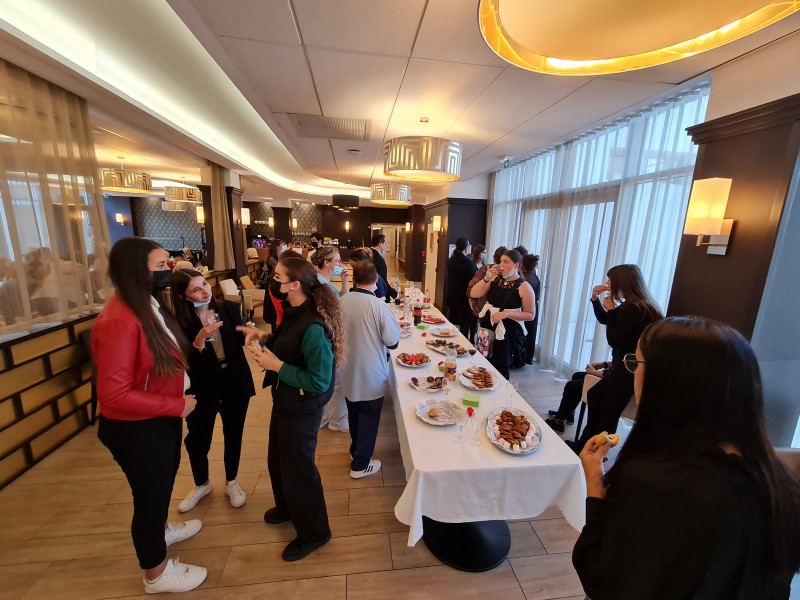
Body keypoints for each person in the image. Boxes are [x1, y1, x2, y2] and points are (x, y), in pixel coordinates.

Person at [573, 317, 800, 599]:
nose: (633, 374)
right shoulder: (781, 481)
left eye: (637, 363)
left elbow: (603, 580)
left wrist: (595, 489)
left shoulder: (658, 482)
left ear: (668, 380)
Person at [92, 237, 206, 594]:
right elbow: (114, 395)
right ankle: (157, 574)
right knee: (149, 496)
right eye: (160, 266)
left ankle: (160, 530)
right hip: (136, 427)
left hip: (158, 417)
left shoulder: (147, 304)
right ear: (135, 271)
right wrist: (177, 405)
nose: (168, 271)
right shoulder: (119, 320)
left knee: (161, 484)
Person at [242, 257, 345, 561]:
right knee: (278, 457)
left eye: (277, 276)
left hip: (302, 405)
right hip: (286, 398)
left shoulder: (313, 325)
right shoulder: (293, 311)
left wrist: (276, 365)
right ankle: (287, 507)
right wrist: (264, 337)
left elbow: (319, 379)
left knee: (300, 469)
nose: (272, 281)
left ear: (294, 285)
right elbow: (287, 342)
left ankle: (315, 532)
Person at [170, 269, 255, 512]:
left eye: (204, 284)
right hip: (202, 385)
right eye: (195, 289)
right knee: (197, 439)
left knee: (233, 434)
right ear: (184, 297)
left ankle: (231, 481)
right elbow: (184, 363)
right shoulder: (179, 322)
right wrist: (199, 341)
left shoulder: (227, 308)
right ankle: (202, 483)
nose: (205, 290)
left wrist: (247, 333)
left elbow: (237, 341)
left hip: (234, 381)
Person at [572, 264, 663, 452]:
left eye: (611, 279)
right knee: (595, 395)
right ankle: (583, 446)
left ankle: (595, 454)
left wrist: (612, 309)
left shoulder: (635, 309)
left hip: (629, 370)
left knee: (608, 415)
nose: (607, 282)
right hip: (624, 367)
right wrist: (595, 299)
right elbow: (607, 320)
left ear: (623, 282)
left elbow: (614, 339)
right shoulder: (636, 305)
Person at [340, 262, 400, 478]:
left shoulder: (343, 300)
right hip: (370, 371)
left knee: (354, 412)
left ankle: (356, 452)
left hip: (347, 367)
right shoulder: (378, 305)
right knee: (369, 416)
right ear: (376, 280)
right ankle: (360, 464)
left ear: (354, 279)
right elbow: (392, 341)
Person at [469, 249, 535, 379]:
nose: (502, 265)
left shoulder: (524, 286)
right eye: (501, 262)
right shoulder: (494, 280)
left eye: (506, 262)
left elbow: (530, 314)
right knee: (483, 360)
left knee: (501, 365)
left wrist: (507, 313)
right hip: (488, 325)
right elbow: (474, 294)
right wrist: (486, 278)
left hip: (507, 331)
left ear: (516, 265)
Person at [311, 246, 349, 432]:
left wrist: (344, 281)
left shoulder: (325, 280)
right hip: (328, 333)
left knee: (331, 378)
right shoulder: (320, 284)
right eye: (337, 261)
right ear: (326, 263)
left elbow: (343, 298)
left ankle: (326, 418)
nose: (339, 264)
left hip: (330, 331)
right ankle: (337, 420)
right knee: (336, 380)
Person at [544, 363, 606, 433]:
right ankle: (568, 414)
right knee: (577, 375)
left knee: (572, 386)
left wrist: (594, 372)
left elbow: (616, 374)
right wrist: (605, 364)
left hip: (610, 384)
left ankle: (558, 422)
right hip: (608, 377)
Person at [444, 236, 477, 332]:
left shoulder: (450, 261)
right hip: (463, 299)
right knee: (463, 327)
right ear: (466, 247)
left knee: (452, 324)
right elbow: (472, 281)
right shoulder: (468, 263)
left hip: (452, 297)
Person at [517, 253, 541, 366]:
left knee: (521, 333)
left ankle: (518, 358)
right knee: (530, 334)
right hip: (534, 309)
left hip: (523, 309)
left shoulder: (522, 279)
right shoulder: (535, 277)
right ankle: (527, 358)